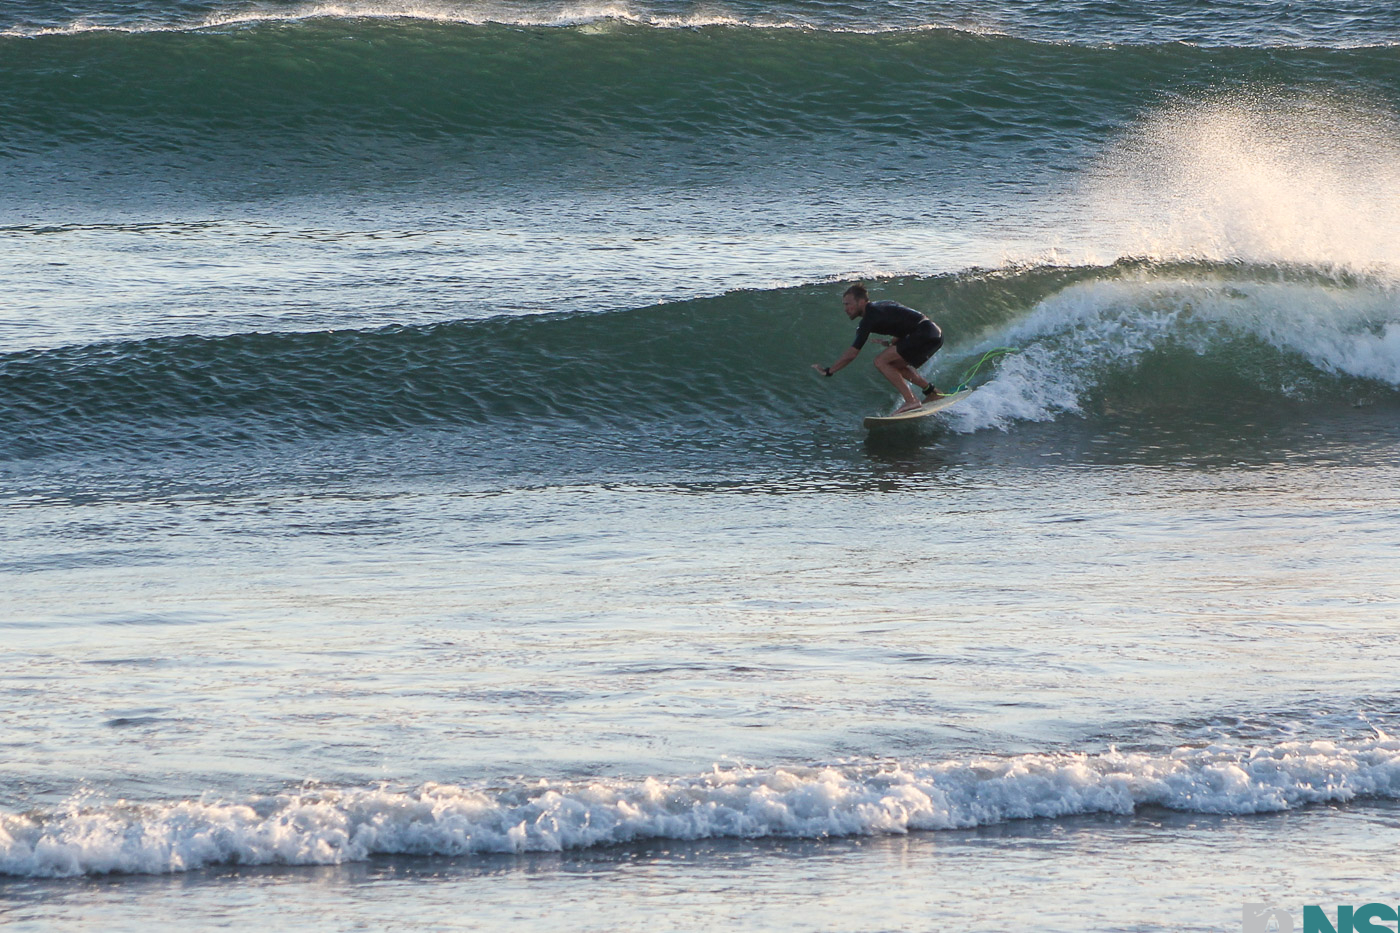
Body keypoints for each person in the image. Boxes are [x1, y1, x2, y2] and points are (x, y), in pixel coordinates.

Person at [812, 284, 944, 414]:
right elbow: (904, 319)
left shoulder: (868, 319)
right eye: (844, 304)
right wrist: (891, 342)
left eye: (848, 304)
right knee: (894, 365)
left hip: (923, 333)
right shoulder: (882, 305)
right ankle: (933, 392)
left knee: (880, 361)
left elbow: (852, 353)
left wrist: (829, 371)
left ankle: (911, 400)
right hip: (933, 333)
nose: (845, 309)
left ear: (861, 302)